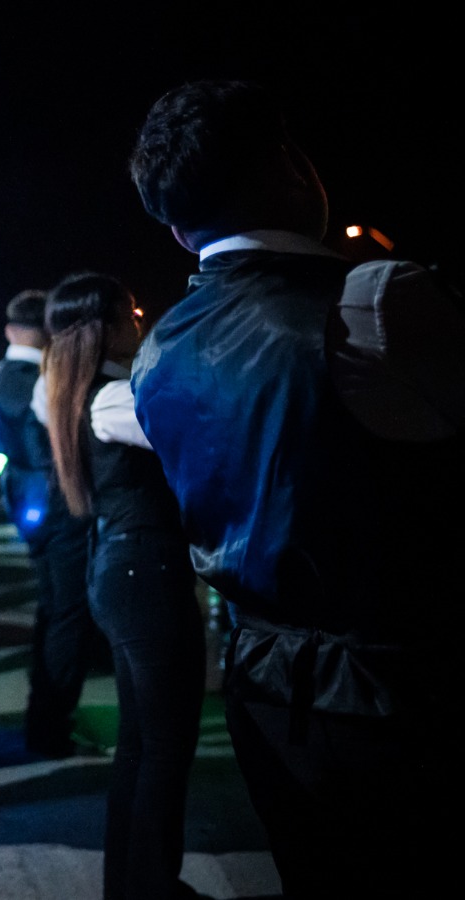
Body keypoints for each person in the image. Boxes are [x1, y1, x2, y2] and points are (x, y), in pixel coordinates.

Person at [128, 79, 463, 897]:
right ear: (291, 166)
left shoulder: (157, 348)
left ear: (177, 229)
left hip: (264, 694)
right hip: (398, 693)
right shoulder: (373, 302)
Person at [40, 273, 204, 900]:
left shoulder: (84, 393)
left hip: (127, 570)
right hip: (145, 574)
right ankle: (153, 885)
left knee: (141, 745)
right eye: (132, 310)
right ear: (104, 326)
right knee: (164, 747)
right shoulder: (112, 399)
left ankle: (133, 883)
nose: (140, 320)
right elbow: (188, 437)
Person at [0, 289, 94, 758]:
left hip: (25, 501)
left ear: (11, 330)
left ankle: (44, 720)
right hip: (56, 503)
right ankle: (51, 727)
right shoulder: (41, 377)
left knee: (53, 609)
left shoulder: (2, 376)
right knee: (68, 613)